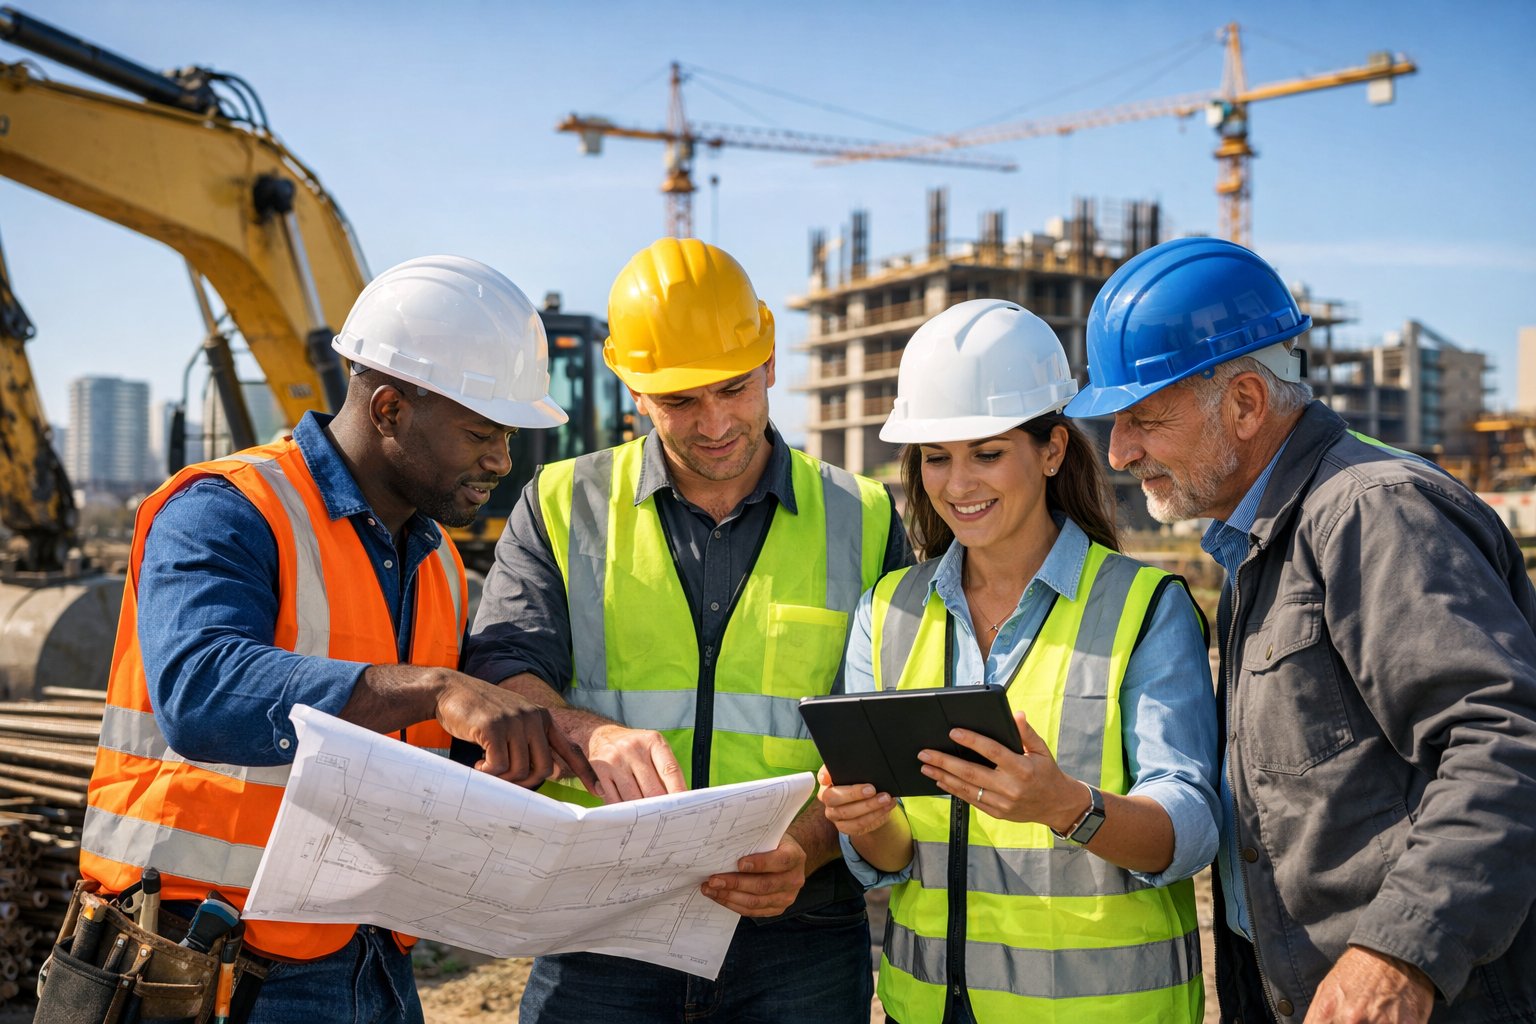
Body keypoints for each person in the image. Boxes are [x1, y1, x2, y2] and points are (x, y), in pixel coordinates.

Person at [80, 255, 598, 1024]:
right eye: (481, 433)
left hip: (370, 956)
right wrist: (437, 688)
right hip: (206, 965)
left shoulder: (439, 563)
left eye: (509, 435)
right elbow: (200, 691)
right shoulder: (226, 508)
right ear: (388, 409)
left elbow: (413, 747)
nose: (502, 459)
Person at [1064, 236, 1536, 1023]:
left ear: (1246, 403)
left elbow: (1504, 742)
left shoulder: (1368, 511)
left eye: (1144, 418)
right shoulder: (1260, 540)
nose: (1119, 453)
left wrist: (1399, 954)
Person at [464, 237, 912, 1023]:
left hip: (798, 927)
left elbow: (884, 728)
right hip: (602, 922)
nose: (713, 425)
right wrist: (587, 733)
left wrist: (804, 849)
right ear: (634, 388)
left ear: (770, 361)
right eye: (679, 401)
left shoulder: (865, 518)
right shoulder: (562, 501)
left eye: (734, 389)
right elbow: (504, 663)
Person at [818, 298, 1221, 1024]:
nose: (958, 484)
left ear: (1053, 450)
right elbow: (894, 856)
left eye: (987, 452)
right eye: (937, 458)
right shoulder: (886, 613)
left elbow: (1190, 827)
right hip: (928, 1009)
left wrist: (1067, 807)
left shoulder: (1143, 607)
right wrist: (862, 820)